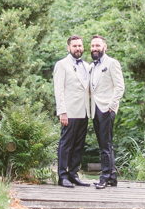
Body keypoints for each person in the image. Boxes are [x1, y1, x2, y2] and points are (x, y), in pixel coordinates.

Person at [53, 35, 91, 188]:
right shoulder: (62, 65)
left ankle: (73, 174)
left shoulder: (87, 66)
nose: (77, 48)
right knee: (66, 144)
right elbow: (59, 89)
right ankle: (62, 176)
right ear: (68, 48)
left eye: (80, 46)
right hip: (69, 112)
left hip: (84, 111)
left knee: (79, 145)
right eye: (74, 46)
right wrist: (62, 112)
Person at [88, 35, 125, 189]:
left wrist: (112, 105)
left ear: (105, 47)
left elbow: (120, 86)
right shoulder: (92, 66)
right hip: (94, 108)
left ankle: (105, 177)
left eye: (97, 45)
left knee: (105, 144)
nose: (95, 48)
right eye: (92, 46)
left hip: (106, 108)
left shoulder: (112, 63)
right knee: (104, 143)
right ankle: (111, 177)